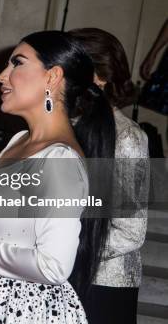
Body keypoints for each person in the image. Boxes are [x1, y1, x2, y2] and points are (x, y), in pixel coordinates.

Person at [0, 31, 116, 323]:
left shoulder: (59, 161)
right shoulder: (18, 141)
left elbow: (54, 266)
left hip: (29, 313)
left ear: (52, 77)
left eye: (17, 64)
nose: (1, 76)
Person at [70, 28, 149, 324]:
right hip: (64, 274)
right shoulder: (65, 127)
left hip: (104, 283)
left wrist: (66, 249)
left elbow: (130, 231)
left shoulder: (127, 136)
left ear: (99, 78)